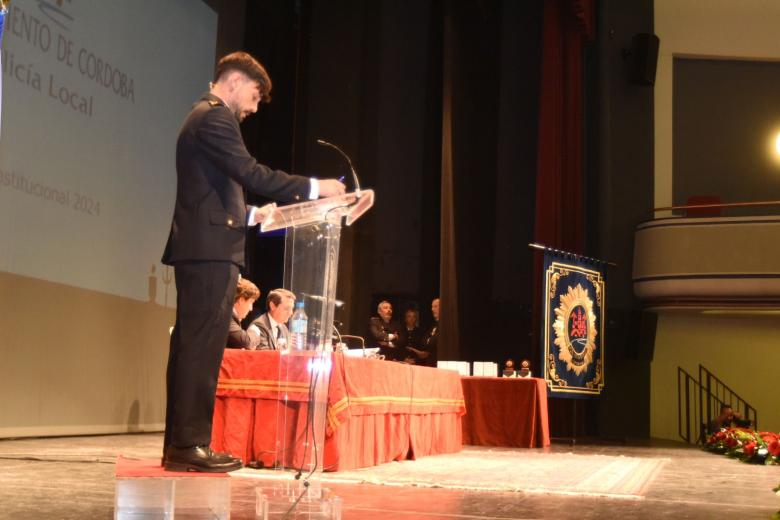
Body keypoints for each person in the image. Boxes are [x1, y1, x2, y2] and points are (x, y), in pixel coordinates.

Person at [161, 51, 345, 473]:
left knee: (193, 346)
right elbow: (252, 173)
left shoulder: (202, 117)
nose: (256, 106)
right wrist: (316, 187)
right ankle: (189, 445)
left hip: (204, 244)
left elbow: (209, 190)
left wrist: (251, 215)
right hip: (209, 251)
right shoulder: (215, 116)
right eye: (256, 95)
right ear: (236, 81)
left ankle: (181, 444)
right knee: (201, 349)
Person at [226, 278, 261, 349]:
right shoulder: (227, 317)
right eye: (251, 302)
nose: (251, 309)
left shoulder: (232, 317)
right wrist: (254, 331)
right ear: (241, 300)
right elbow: (246, 342)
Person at [415, 297, 439, 367]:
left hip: (438, 362)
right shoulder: (433, 325)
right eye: (432, 307)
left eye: (435, 306)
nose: (432, 309)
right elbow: (424, 341)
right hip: (429, 362)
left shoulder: (445, 325)